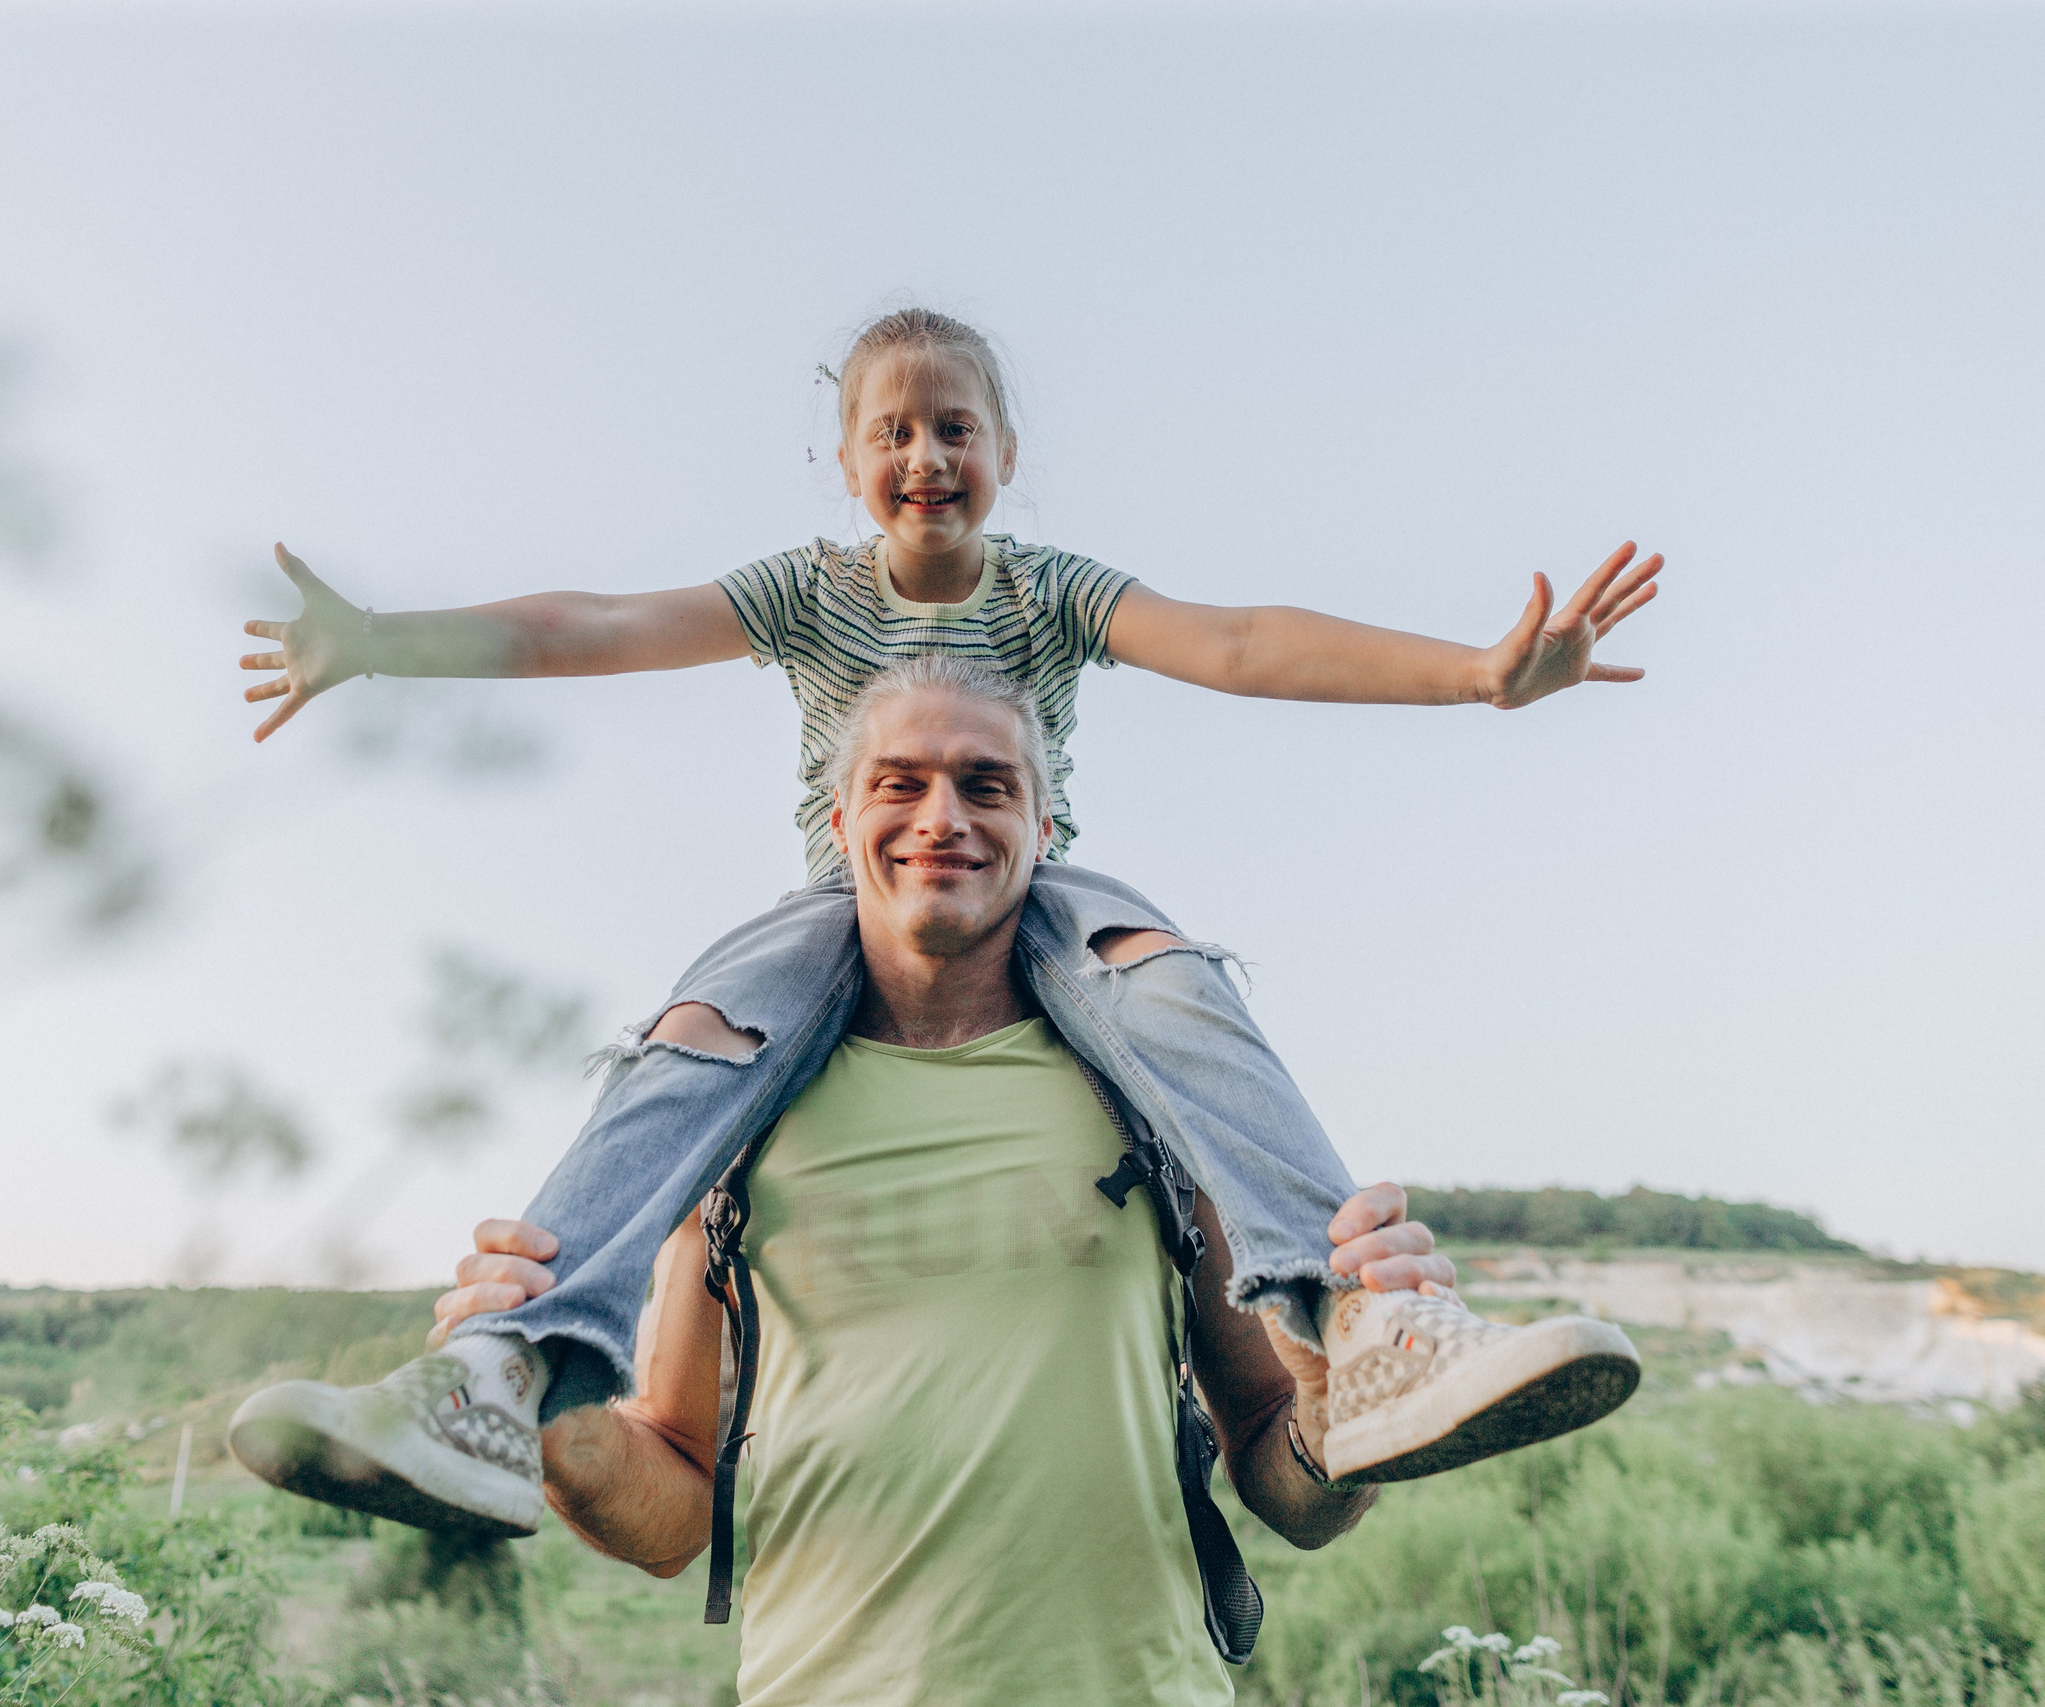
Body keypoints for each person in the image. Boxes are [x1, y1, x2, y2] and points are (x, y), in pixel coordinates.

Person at [226, 310, 1661, 1534]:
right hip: (840, 914)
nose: (926, 454)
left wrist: (1477, 674)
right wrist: (388, 642)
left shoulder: (1054, 593)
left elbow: (1235, 642)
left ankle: (1366, 1319)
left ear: (1005, 455)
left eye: (956, 428)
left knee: (1171, 981)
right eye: (895, 431)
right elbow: (599, 626)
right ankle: (507, 1366)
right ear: (852, 463)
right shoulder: (806, 593)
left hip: (1034, 896)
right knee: (692, 1038)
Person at [240, 664, 1639, 1703]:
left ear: (1047, 827)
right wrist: (564, 1428)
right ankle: (505, 1380)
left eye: (987, 785)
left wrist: (1329, 1413)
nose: (943, 818)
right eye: (901, 784)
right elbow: (670, 1513)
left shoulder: (1151, 1098)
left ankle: (1377, 1339)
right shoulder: (733, 1125)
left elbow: (1289, 1482)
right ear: (840, 819)